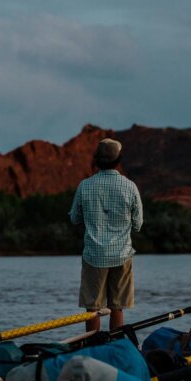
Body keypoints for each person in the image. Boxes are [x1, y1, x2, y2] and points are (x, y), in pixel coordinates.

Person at [69, 138, 143, 332]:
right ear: (119, 160)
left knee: (92, 307)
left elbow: (74, 219)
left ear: (96, 160)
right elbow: (138, 225)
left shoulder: (85, 186)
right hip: (122, 255)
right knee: (117, 306)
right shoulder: (130, 187)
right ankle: (114, 345)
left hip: (93, 255)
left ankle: (92, 346)